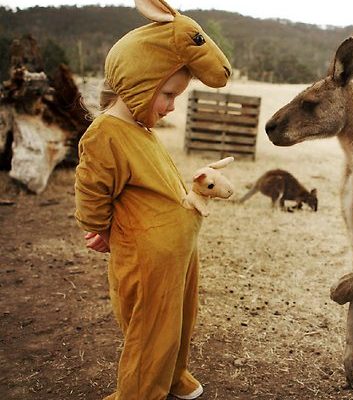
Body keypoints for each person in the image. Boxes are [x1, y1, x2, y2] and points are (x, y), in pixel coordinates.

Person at [74, 1, 231, 399]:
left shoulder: (141, 130)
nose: (173, 105)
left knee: (179, 318)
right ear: (140, 83)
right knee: (150, 328)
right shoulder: (105, 133)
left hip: (178, 252)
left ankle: (173, 374)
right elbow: (92, 189)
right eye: (168, 94)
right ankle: (139, 392)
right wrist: (99, 228)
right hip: (146, 258)